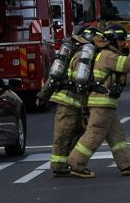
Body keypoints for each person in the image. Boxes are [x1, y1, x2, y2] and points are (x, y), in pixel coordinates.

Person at [67, 24, 130, 178]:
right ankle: (76, 163)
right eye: (121, 41)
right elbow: (128, 64)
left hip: (105, 102)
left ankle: (126, 165)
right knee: (94, 133)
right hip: (102, 103)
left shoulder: (105, 53)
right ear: (113, 41)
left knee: (117, 136)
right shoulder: (108, 55)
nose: (123, 44)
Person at [37, 27, 104, 176]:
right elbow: (80, 83)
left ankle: (67, 163)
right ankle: (59, 165)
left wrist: (43, 95)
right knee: (65, 135)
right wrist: (86, 107)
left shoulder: (72, 53)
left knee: (70, 134)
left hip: (68, 101)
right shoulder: (83, 57)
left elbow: (54, 77)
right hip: (71, 102)